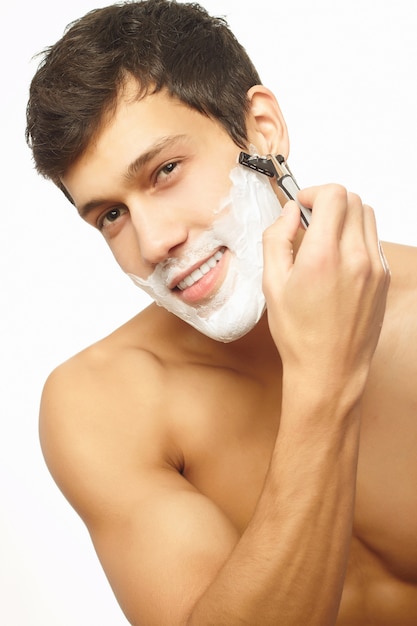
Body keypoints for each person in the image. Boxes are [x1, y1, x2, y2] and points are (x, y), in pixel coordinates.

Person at [26, 1, 417, 624]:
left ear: (261, 128)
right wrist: (323, 380)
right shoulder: (105, 403)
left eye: (166, 170)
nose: (153, 243)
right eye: (111, 215)